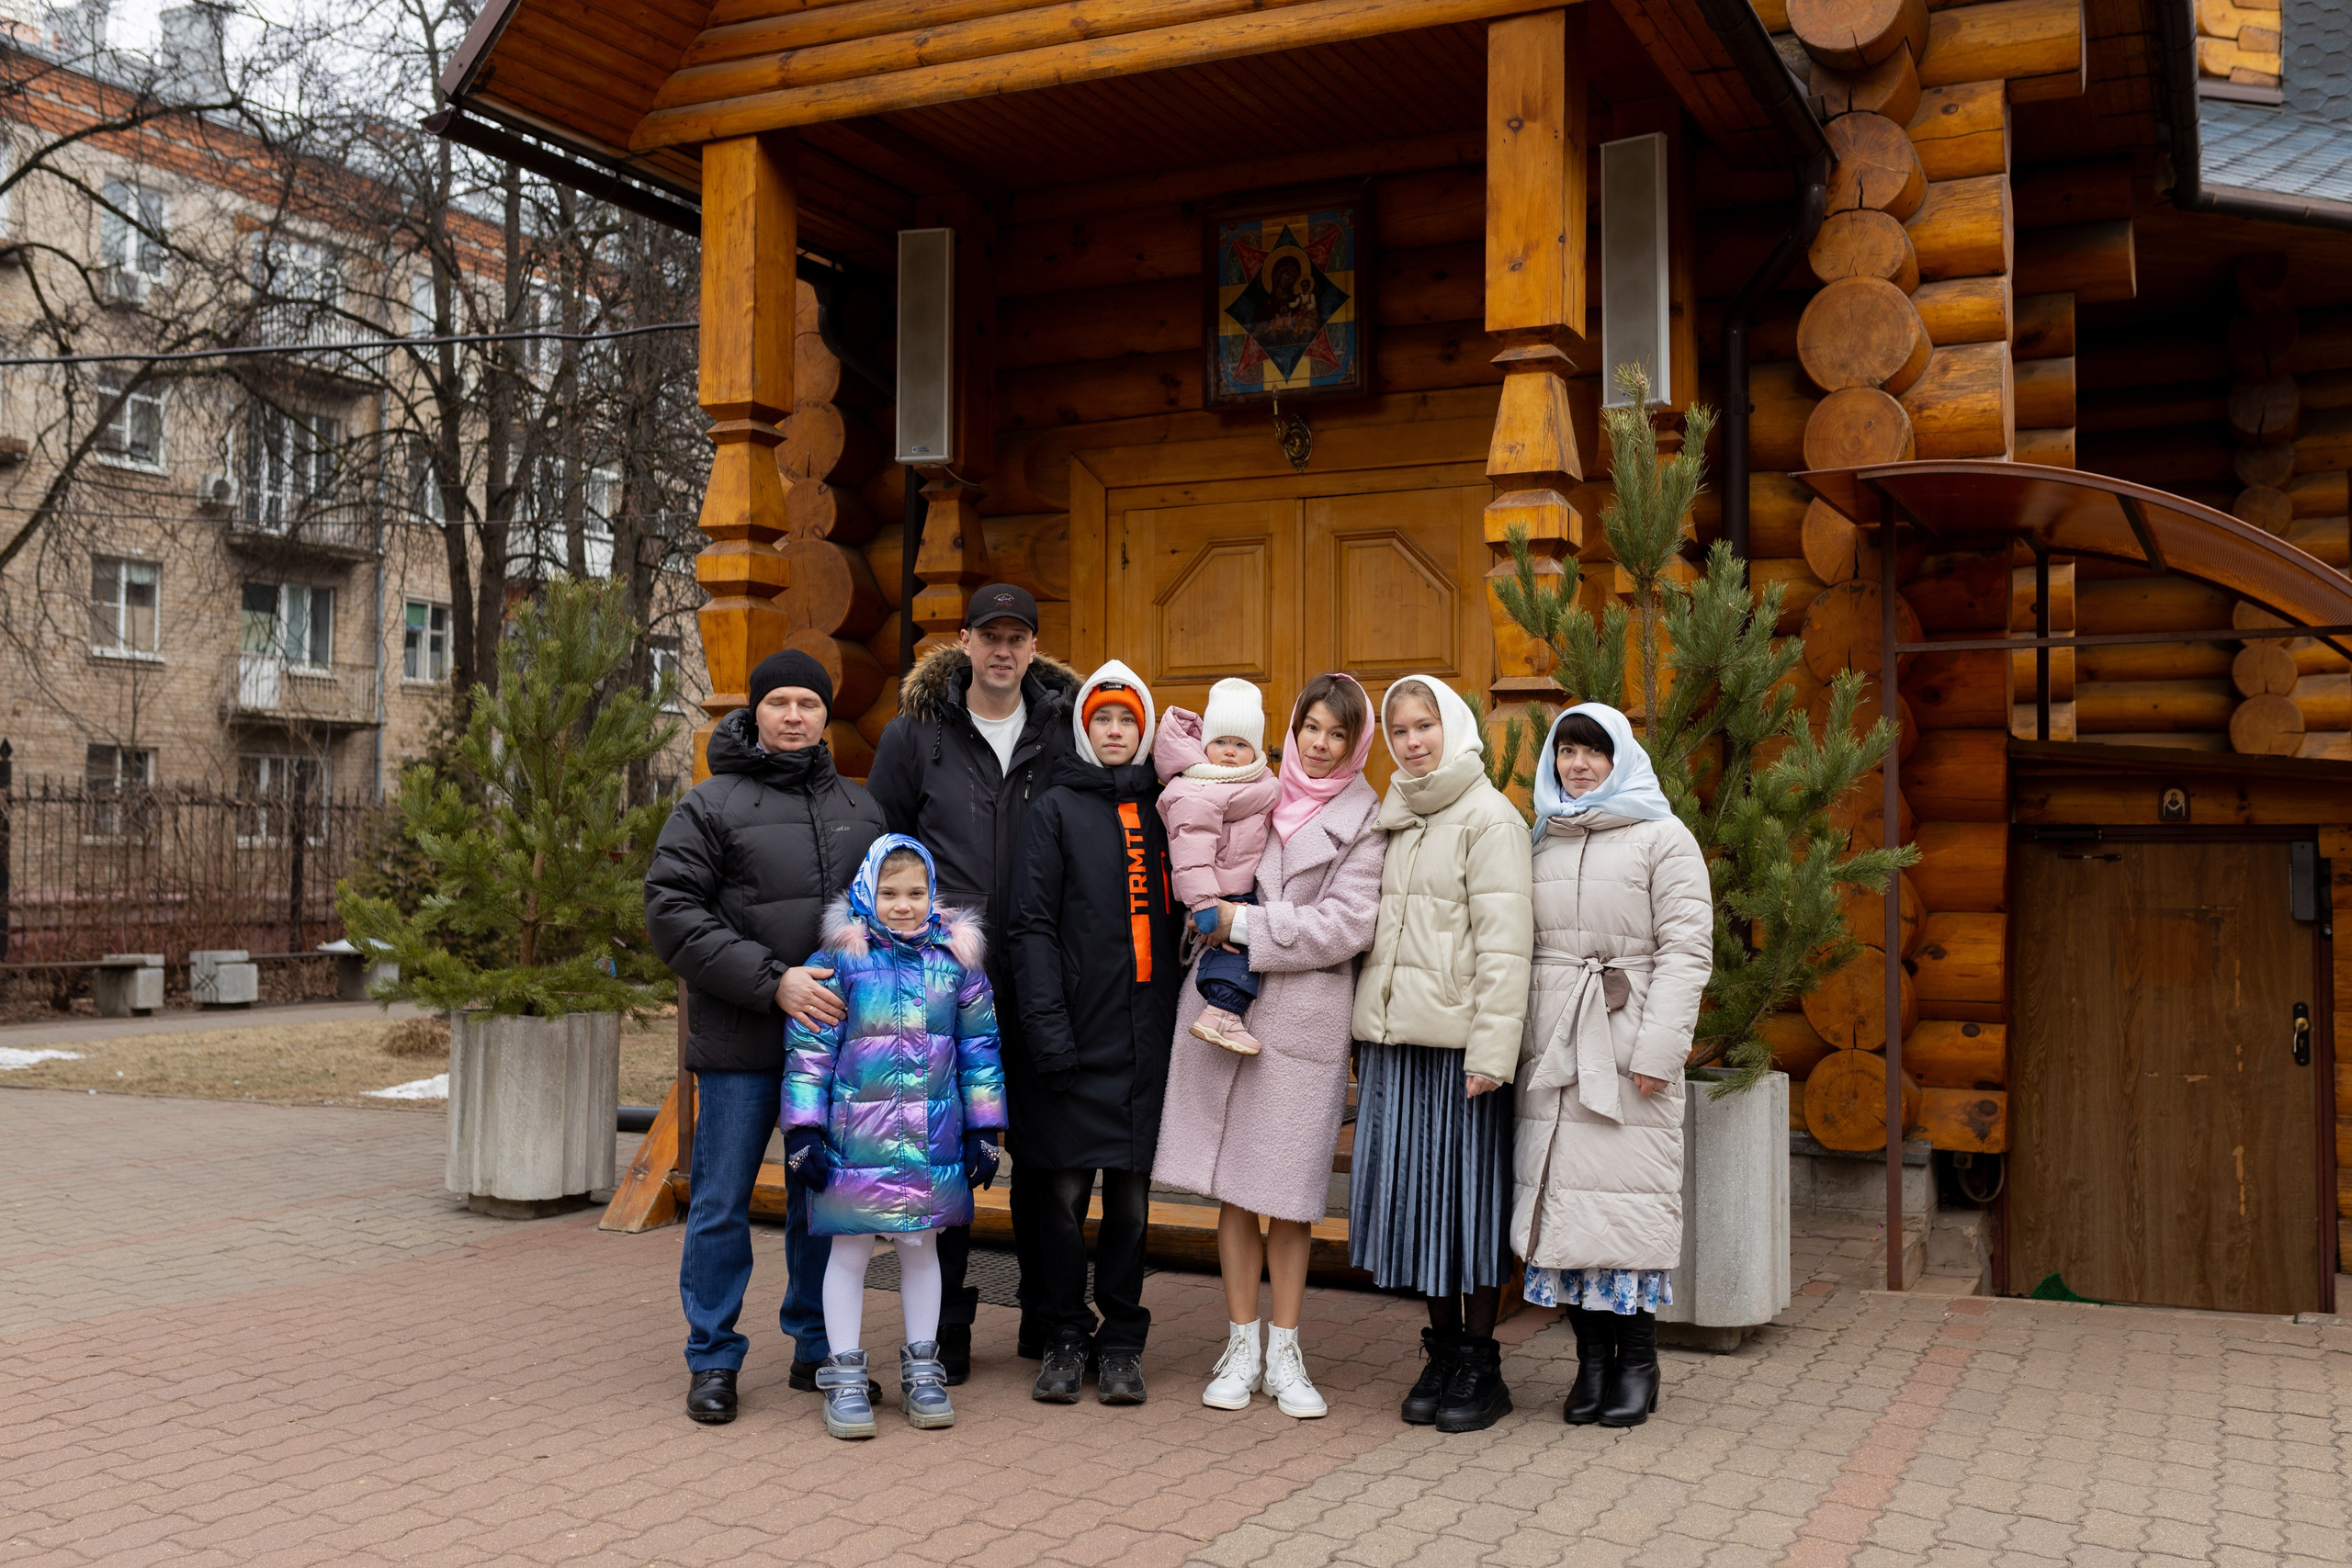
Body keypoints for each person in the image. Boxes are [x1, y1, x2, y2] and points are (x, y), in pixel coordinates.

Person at [644, 649, 887, 1426]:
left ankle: (817, 1344)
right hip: (741, 1040)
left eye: (807, 703)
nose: (793, 715)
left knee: (821, 1200)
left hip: (836, 1047)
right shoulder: (710, 806)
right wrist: (774, 979)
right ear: (754, 714)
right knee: (720, 1199)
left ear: (824, 715)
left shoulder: (864, 809)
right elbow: (672, 913)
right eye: (778, 701)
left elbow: (893, 916)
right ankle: (712, 1357)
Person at [1154, 673, 1384, 1420]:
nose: (1319, 745)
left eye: (1337, 734)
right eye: (1310, 728)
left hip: (1304, 1020)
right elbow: (1198, 877)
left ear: (1355, 744)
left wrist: (1248, 926)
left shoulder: (1366, 818)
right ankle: (1239, 1343)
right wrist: (1205, 919)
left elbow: (1349, 924)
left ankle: (1287, 1350)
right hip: (1225, 1008)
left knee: (1287, 1196)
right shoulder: (1250, 785)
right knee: (1234, 1187)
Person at [866, 582, 1080, 1377]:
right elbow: (879, 849)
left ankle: (1046, 1314)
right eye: (987, 635)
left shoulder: (1066, 731)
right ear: (963, 641)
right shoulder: (913, 734)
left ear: (1032, 647)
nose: (1001, 649)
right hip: (941, 987)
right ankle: (947, 1326)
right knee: (947, 1153)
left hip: (1042, 975)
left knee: (1046, 1157)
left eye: (1015, 637)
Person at [1510, 705, 1711, 1428]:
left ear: (1620, 757)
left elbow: (1688, 951)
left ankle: (1639, 1363)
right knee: (1565, 1215)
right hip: (1556, 1052)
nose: (1579, 764)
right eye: (1567, 751)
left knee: (1623, 1210)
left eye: (1594, 751)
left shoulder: (1665, 838)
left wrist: (1660, 1051)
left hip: (1628, 1054)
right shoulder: (1542, 839)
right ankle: (1590, 1363)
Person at [1349, 675, 1533, 1434]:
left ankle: (1482, 1361)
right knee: (1416, 1206)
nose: (1413, 741)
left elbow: (1507, 944)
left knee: (1466, 1204)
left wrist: (1493, 1050)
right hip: (1400, 1047)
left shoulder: (1490, 819)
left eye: (1425, 726)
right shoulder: (1395, 816)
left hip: (1462, 1054)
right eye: (1400, 731)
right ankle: (1444, 1347)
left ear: (1451, 727)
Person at [782, 835, 1006, 1439]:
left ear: (933, 894)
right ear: (866, 892)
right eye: (889, 892)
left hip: (930, 1141)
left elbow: (980, 1050)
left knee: (920, 1250)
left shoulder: (955, 964)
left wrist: (985, 1126)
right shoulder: (840, 961)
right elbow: (810, 1049)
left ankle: (922, 1366)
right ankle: (846, 1373)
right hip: (854, 1143)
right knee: (849, 1252)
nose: (902, 904)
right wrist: (802, 1128)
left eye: (915, 892)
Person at [1008, 660, 1183, 1406]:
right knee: (1063, 1201)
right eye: (1102, 719)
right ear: (1083, 727)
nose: (1114, 732)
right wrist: (1047, 1028)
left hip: (1145, 1043)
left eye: (1127, 721)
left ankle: (1121, 1342)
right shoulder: (1053, 808)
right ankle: (1063, 1332)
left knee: (1133, 1207)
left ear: (1143, 731)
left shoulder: (1166, 810)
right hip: (1073, 1042)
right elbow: (1031, 926)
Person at [1151, 677, 1283, 1055]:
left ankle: (1223, 1012)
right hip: (1217, 892)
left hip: (1238, 884)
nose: (1229, 752)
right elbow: (1189, 852)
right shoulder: (1198, 788)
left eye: (1241, 744)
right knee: (1237, 947)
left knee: (1243, 943)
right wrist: (1205, 905)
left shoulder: (1255, 783)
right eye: (1221, 742)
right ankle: (1221, 1013)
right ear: (1205, 744)